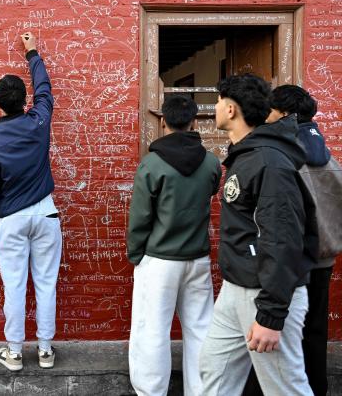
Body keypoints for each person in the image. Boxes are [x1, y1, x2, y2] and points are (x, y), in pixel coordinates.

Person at [199, 74, 316, 395]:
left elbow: (283, 239)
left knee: (285, 387)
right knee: (214, 370)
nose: (216, 108)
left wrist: (271, 314)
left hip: (266, 292)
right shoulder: (246, 155)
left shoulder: (269, 162)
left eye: (220, 101)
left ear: (232, 109)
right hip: (236, 288)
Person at [243, 85, 341, 396]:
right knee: (314, 332)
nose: (266, 117)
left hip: (290, 263)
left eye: (271, 111)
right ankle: (316, 388)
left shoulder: (281, 160)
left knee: (275, 333)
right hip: (324, 260)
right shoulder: (331, 162)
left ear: (284, 115)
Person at [127, 94, 221, 396]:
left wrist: (136, 253)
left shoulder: (152, 164)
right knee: (201, 329)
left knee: (152, 330)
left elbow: (141, 216)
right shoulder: (211, 163)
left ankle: (151, 392)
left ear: (163, 121)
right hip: (197, 258)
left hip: (159, 260)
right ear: (194, 121)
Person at [0, 32, 61, 371]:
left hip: (10, 220)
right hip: (45, 213)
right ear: (24, 100)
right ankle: (44, 350)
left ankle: (14, 352)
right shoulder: (38, 121)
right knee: (46, 282)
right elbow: (45, 89)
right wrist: (32, 52)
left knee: (14, 286)